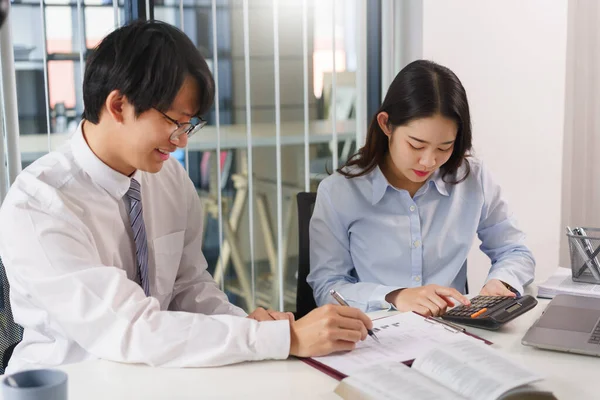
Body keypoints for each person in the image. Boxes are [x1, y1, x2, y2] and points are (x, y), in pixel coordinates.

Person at [0, 20, 372, 374]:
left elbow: (187, 286)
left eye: (189, 124)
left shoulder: (169, 179)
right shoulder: (39, 204)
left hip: (160, 375)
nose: (181, 141)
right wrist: (279, 338)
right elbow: (129, 330)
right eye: (173, 122)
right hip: (70, 383)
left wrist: (244, 324)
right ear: (118, 106)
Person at [308, 60, 535, 317]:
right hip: (375, 338)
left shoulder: (473, 178)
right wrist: (395, 295)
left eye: (444, 147)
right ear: (386, 125)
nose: (429, 162)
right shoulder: (339, 192)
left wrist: (501, 282)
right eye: (416, 145)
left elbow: (514, 250)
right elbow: (328, 288)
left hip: (453, 333)